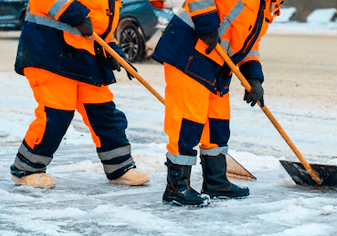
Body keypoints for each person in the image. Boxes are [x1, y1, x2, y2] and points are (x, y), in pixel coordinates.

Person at [152, 0, 283, 206]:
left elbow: (249, 43)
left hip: (217, 64)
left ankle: (216, 181)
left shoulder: (268, 6)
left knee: (217, 122)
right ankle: (176, 187)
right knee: (188, 120)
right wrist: (206, 23)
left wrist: (253, 76)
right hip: (190, 51)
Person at [10, 0, 150, 188]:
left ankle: (120, 168)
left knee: (103, 112)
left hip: (85, 58)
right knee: (57, 113)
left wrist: (114, 51)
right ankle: (27, 169)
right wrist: (76, 14)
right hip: (50, 50)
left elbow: (100, 28)